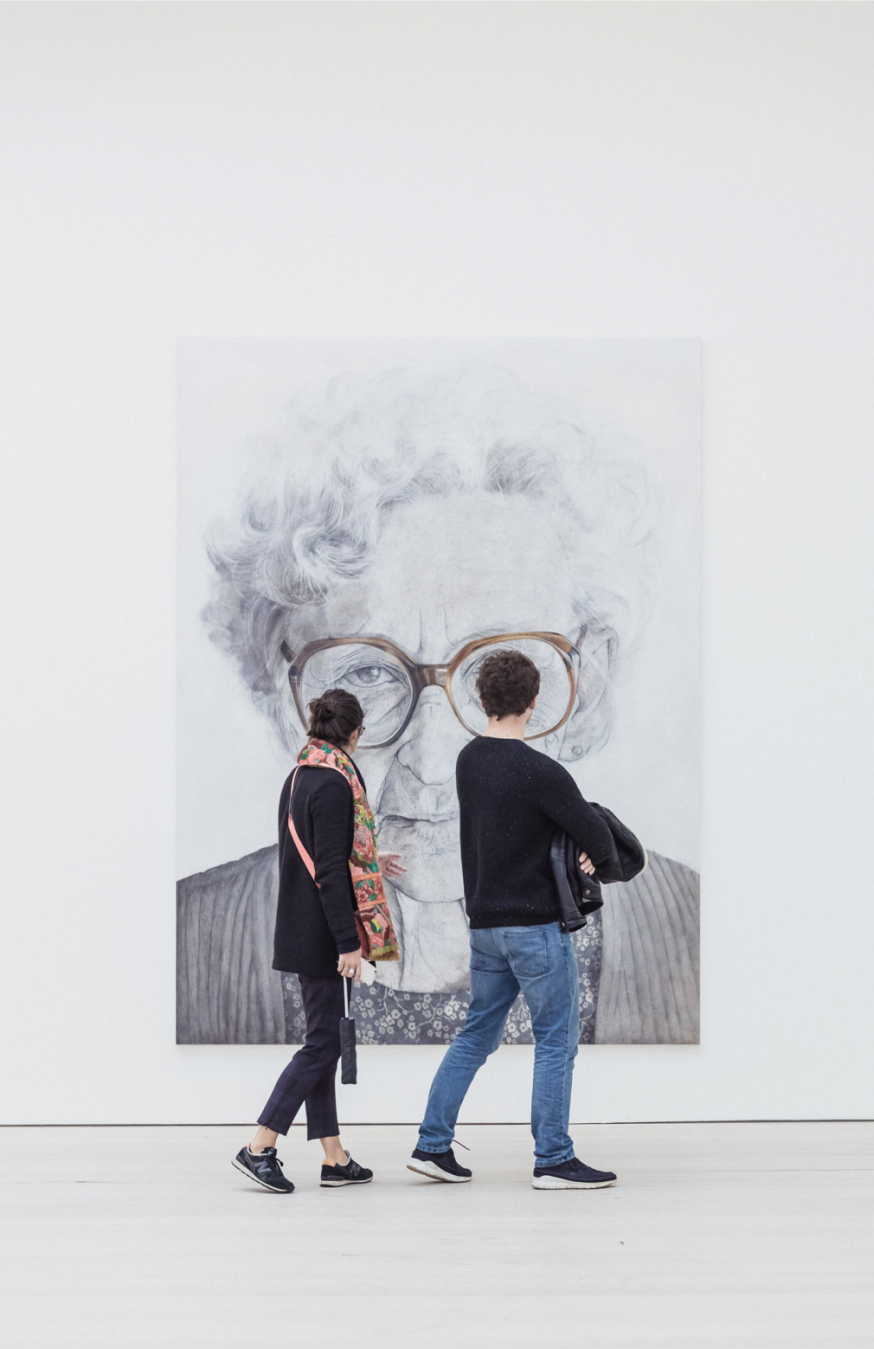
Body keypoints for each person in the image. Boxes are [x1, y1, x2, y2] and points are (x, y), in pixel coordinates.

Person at [177, 365, 698, 1045]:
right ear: (289, 695)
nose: (433, 759)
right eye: (367, 671)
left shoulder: (693, 925)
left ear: (586, 683)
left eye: (497, 669)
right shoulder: (187, 938)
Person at [408, 650, 619, 1190]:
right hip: (535, 931)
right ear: (532, 702)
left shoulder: (467, 761)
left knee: (476, 1035)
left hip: (485, 928)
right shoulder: (542, 772)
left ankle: (432, 1145)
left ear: (482, 700)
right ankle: (553, 1159)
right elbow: (598, 839)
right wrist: (590, 854)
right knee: (555, 1043)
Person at [232, 688, 404, 1194]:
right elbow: (326, 868)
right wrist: (349, 943)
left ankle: (333, 1157)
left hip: (306, 926)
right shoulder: (334, 783)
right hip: (324, 935)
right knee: (322, 1043)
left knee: (323, 1040)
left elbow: (325, 853)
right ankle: (260, 1145)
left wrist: (372, 861)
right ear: (355, 733)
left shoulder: (301, 775)